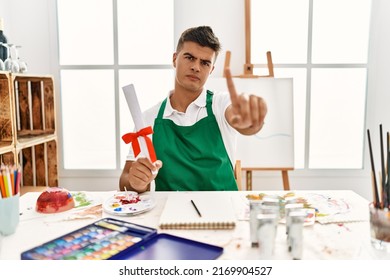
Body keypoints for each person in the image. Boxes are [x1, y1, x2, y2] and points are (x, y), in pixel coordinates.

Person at [119, 26, 267, 193]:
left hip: (223, 211)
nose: (196, 67)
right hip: (169, 214)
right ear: (175, 59)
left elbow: (240, 120)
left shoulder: (220, 104)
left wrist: (250, 123)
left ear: (211, 69)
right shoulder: (148, 119)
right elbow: (125, 180)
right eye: (189, 57)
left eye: (205, 63)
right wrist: (137, 182)